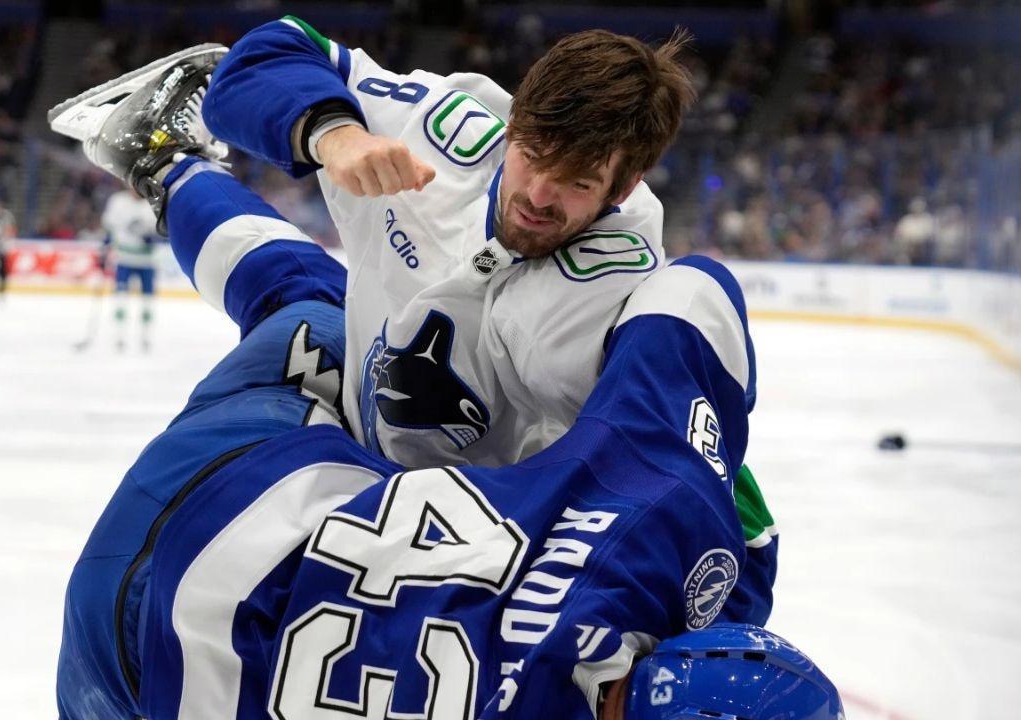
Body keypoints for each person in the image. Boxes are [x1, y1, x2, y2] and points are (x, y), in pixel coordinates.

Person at [49, 145, 790, 720]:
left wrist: (722, 480)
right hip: (137, 698)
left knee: (315, 311)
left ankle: (165, 164)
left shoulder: (661, 533)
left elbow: (690, 298)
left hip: (210, 539)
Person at [51, 19, 695, 470]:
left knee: (302, 303)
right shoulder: (445, 131)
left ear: (623, 187)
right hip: (365, 408)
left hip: (484, 536)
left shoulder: (627, 290)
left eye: (577, 184)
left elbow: (696, 458)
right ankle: (162, 159)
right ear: (515, 120)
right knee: (301, 305)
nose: (538, 196)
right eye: (532, 156)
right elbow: (268, 53)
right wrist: (334, 134)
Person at [101, 186, 162, 352]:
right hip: (124, 258)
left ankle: (145, 337)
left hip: (147, 260)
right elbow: (110, 227)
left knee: (147, 301)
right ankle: (119, 337)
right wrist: (105, 246)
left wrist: (153, 237)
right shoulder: (118, 202)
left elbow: (162, 230)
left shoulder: (153, 204)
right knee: (120, 298)